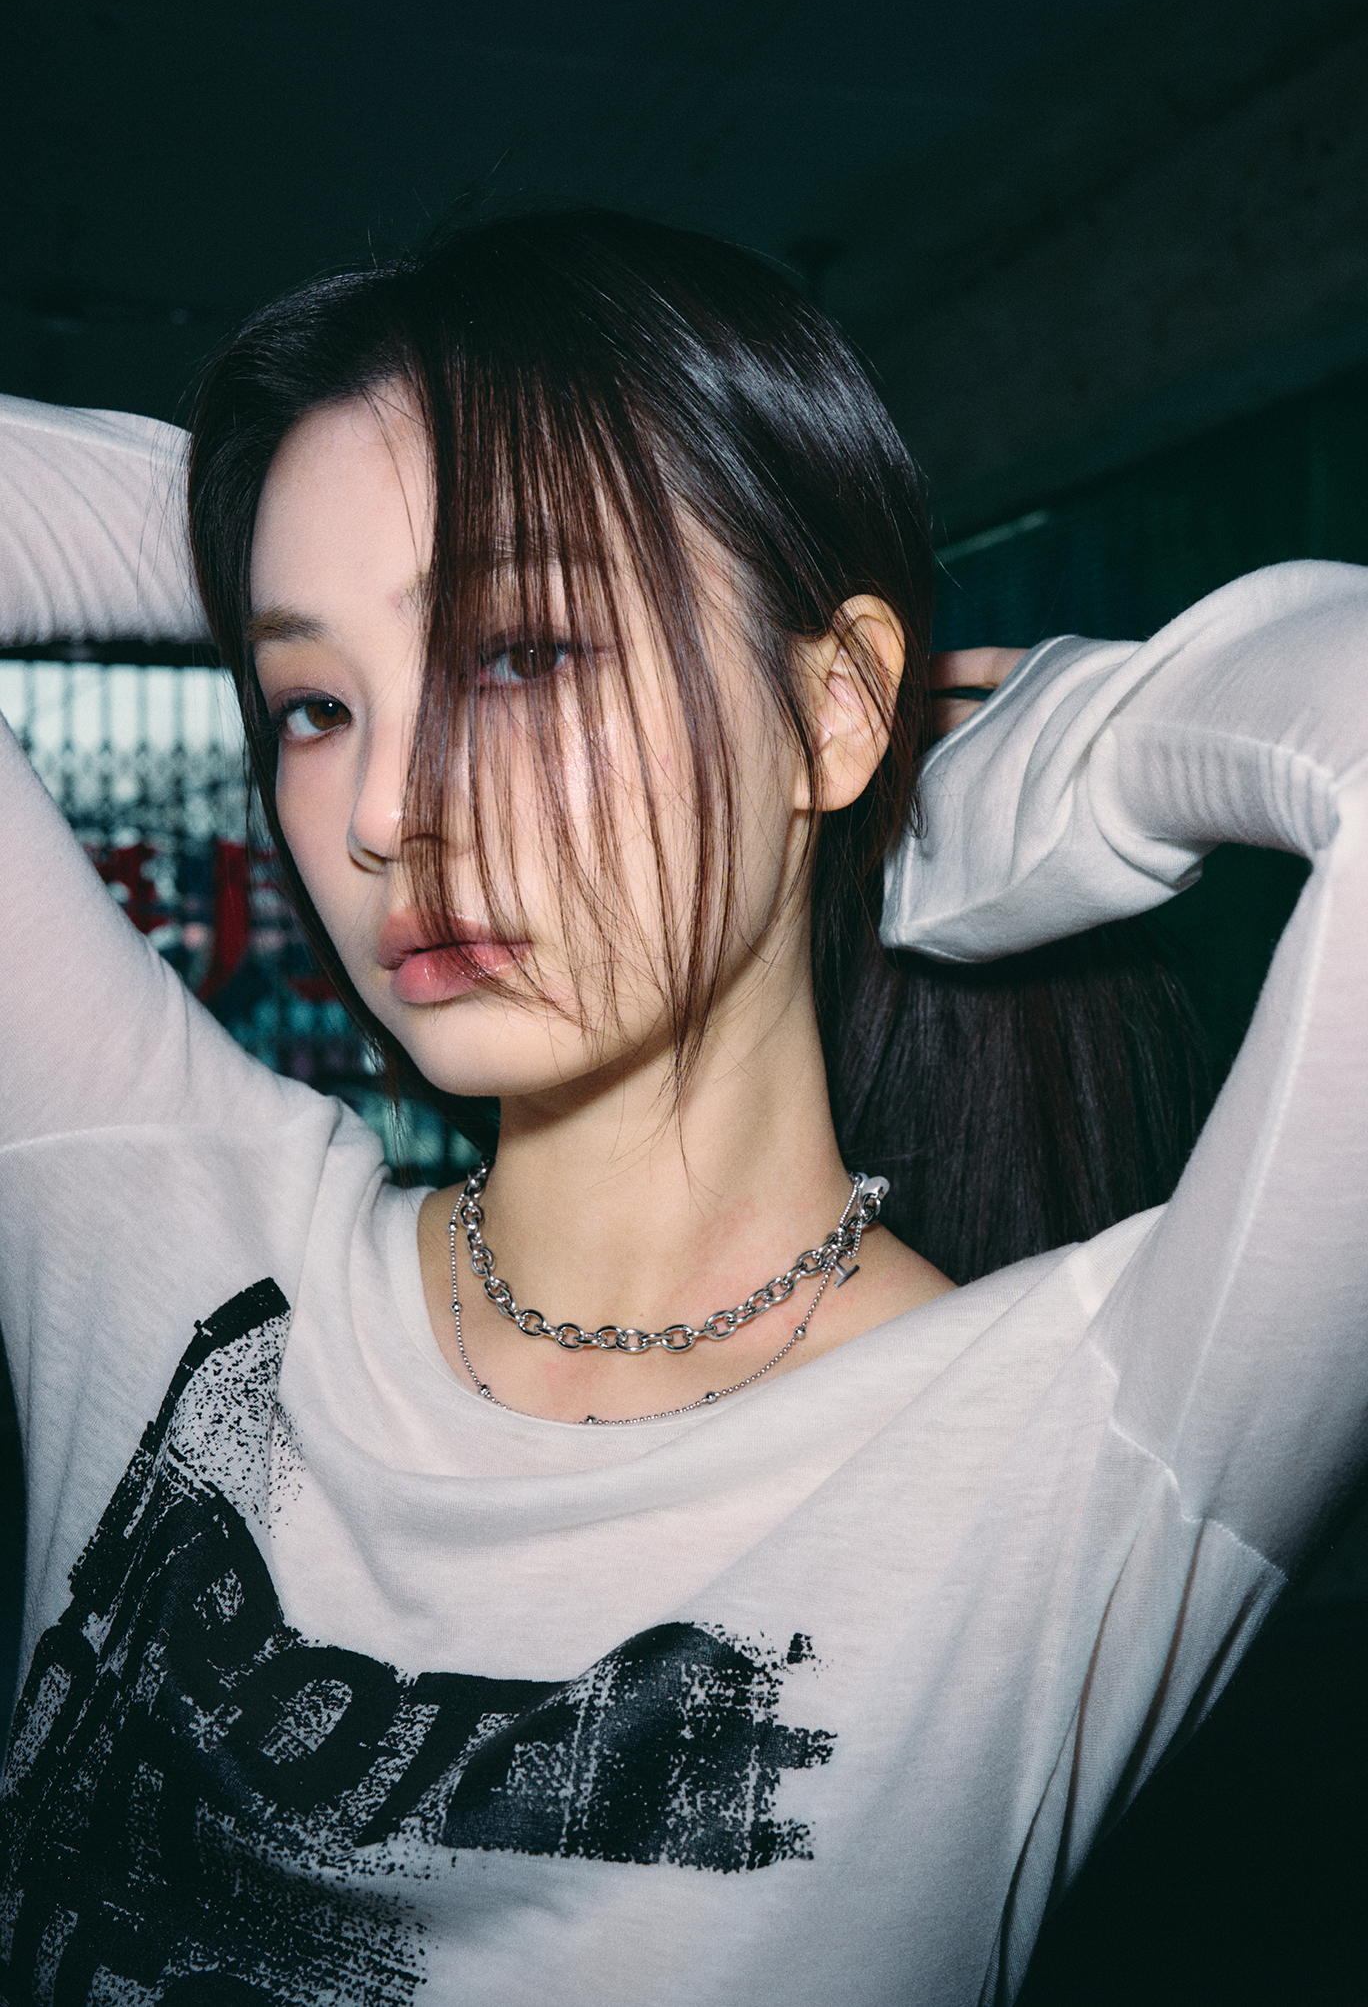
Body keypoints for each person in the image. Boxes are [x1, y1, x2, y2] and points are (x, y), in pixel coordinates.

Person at [0, 209, 1364, 2007]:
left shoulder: (1072, 1448)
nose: (388, 811)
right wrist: (267, 527)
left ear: (833, 708)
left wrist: (991, 795)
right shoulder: (158, 1224)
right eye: (316, 701)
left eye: (520, 653)